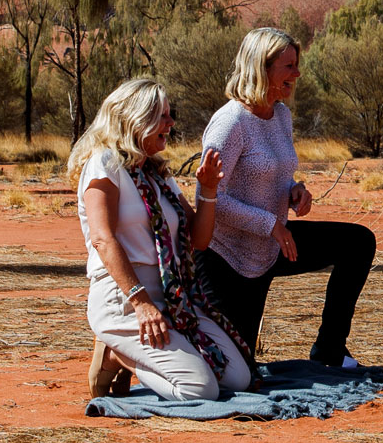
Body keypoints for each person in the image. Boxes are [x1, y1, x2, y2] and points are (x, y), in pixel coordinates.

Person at [195, 27, 378, 367]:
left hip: (273, 245)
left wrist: (294, 191)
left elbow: (273, 172)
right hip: (229, 257)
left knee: (358, 243)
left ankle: (330, 349)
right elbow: (210, 199)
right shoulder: (230, 122)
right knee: (236, 370)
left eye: (296, 64)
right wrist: (271, 225)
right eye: (289, 66)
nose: (297, 73)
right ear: (261, 68)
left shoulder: (281, 115)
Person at [74, 76, 252, 401]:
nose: (170, 123)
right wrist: (141, 304)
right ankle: (116, 354)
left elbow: (197, 240)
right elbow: (103, 239)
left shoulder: (157, 175)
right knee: (199, 389)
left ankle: (137, 353)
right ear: (135, 119)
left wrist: (209, 190)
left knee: (238, 379)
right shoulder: (104, 164)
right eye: (162, 115)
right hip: (125, 298)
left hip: (172, 298)